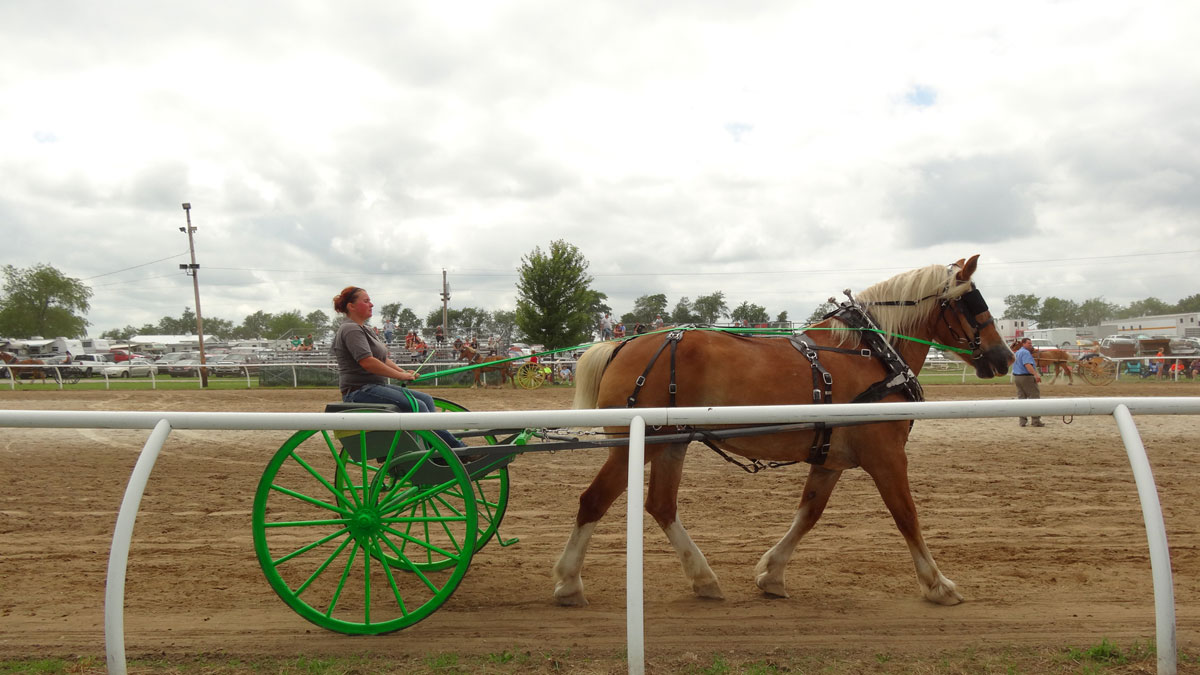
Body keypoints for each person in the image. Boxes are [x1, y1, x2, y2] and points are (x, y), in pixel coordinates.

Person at [330, 286, 464, 449]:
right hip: (358, 391)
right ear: (351, 306)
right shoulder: (350, 329)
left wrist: (403, 372)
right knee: (419, 406)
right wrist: (400, 376)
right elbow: (367, 362)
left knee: (427, 400)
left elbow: (383, 359)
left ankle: (434, 449)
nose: (371, 304)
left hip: (373, 387)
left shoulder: (366, 329)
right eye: (366, 301)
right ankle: (455, 449)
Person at [1012, 337, 1044, 427]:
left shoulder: (1017, 352)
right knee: (1034, 397)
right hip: (1026, 377)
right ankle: (1036, 420)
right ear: (1023, 344)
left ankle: (1022, 421)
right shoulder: (1025, 353)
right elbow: (1027, 365)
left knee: (1022, 399)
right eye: (1029, 343)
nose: (1031, 345)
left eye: (1031, 343)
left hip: (1017, 377)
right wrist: (1036, 375)